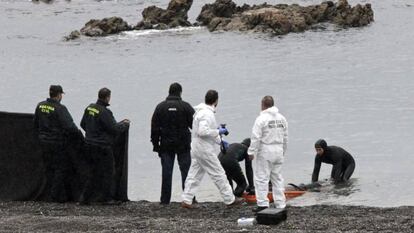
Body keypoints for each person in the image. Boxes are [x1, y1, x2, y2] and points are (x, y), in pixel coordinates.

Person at [181, 90, 244, 208]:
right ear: (216, 101)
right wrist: (218, 131)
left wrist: (220, 141)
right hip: (204, 148)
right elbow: (203, 131)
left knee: (194, 173)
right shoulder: (207, 114)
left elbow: (205, 132)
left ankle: (186, 199)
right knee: (218, 173)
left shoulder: (200, 112)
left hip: (195, 147)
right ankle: (229, 199)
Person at [79, 87, 130, 205]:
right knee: (108, 171)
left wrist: (91, 134)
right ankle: (106, 198)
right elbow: (114, 129)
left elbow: (83, 124)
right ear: (107, 97)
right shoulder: (105, 112)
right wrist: (125, 125)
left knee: (92, 172)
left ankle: (84, 198)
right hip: (102, 147)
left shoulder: (89, 108)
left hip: (89, 144)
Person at [34, 85, 82, 202]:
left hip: (43, 142)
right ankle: (55, 196)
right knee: (60, 168)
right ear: (59, 95)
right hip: (57, 142)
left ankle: (48, 193)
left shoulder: (40, 106)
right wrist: (80, 137)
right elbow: (70, 127)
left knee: (48, 168)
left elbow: (36, 123)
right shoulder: (60, 108)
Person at [151, 82, 195, 205]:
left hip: (166, 145)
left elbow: (154, 128)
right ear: (180, 92)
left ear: (169, 92)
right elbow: (194, 126)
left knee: (167, 173)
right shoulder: (186, 106)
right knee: (186, 172)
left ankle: (165, 200)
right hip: (183, 145)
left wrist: (156, 145)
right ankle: (189, 199)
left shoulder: (160, 107)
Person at [248, 96, 288, 212]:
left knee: (262, 178)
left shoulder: (261, 119)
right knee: (277, 178)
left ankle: (263, 204)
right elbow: (286, 137)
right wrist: (283, 151)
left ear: (262, 105)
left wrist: (251, 151)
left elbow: (256, 137)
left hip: (266, 150)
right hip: (279, 149)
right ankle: (280, 203)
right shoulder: (282, 118)